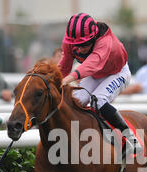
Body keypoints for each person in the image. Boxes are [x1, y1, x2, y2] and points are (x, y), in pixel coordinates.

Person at [58, 12, 141, 156]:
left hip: (117, 72)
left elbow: (91, 65)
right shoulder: (69, 41)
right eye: (76, 45)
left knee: (98, 101)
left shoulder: (105, 41)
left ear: (94, 37)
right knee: (75, 101)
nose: (79, 48)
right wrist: (52, 79)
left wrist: (66, 80)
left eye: (84, 44)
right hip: (96, 74)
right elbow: (64, 66)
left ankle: (131, 139)